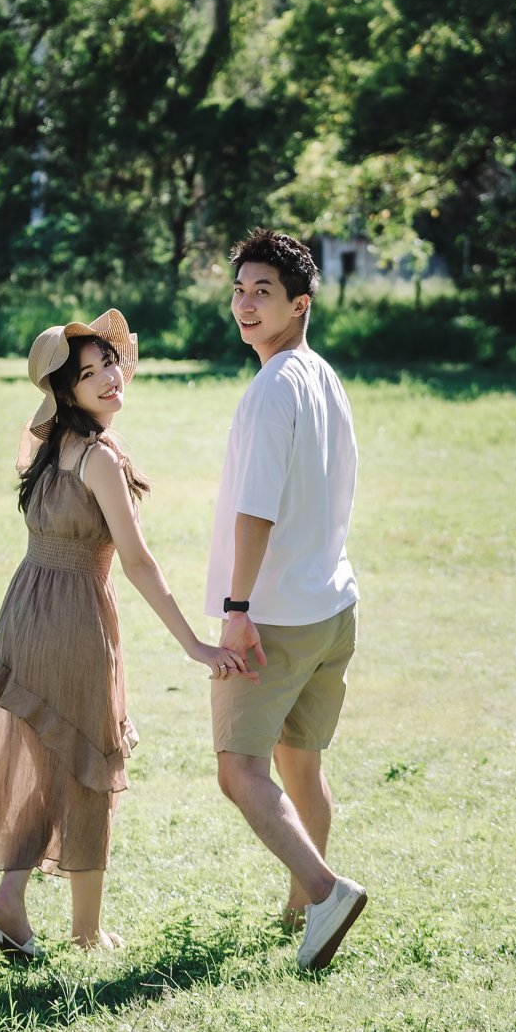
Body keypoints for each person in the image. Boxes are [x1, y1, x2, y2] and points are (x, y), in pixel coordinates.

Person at [0, 309, 247, 957]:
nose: (111, 377)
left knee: (52, 768)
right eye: (90, 374)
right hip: (73, 624)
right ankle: (86, 933)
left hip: (25, 614)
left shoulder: (48, 447)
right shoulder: (98, 457)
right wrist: (195, 645)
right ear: (67, 391)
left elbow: (45, 461)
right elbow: (137, 561)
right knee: (90, 768)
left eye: (110, 363)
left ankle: (10, 900)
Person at [205, 228, 368, 971]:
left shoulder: (274, 388)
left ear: (299, 304)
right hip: (331, 607)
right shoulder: (323, 376)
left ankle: (325, 892)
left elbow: (256, 510)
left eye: (263, 292)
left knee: (239, 770)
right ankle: (306, 913)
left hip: (275, 618)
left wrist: (236, 611)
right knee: (302, 766)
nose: (245, 304)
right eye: (239, 290)